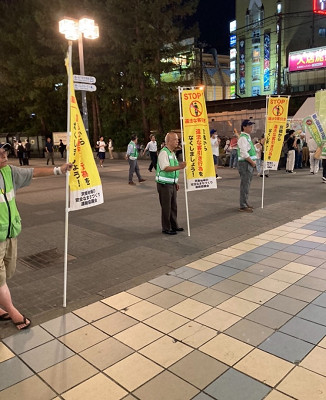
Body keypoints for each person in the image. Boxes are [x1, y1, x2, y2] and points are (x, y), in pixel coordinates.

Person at [0, 142, 72, 331]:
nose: (4, 156)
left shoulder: (9, 172)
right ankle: (13, 312)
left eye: (5, 151)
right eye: (0, 153)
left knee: (6, 273)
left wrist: (59, 170)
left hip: (9, 233)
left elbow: (33, 173)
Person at [156, 132, 186, 235]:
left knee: (173, 206)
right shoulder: (164, 153)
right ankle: (166, 228)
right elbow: (166, 168)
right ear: (168, 141)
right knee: (166, 207)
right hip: (164, 184)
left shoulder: (172, 153)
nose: (177, 141)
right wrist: (180, 167)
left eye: (177, 139)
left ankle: (174, 225)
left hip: (171, 184)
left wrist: (175, 182)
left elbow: (173, 169)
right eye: (175, 139)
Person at [237, 119, 257, 212]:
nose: (251, 128)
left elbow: (249, 150)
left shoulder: (247, 137)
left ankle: (245, 202)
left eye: (251, 126)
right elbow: (243, 153)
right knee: (245, 184)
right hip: (245, 164)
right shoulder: (243, 138)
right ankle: (243, 205)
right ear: (244, 127)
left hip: (248, 163)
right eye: (249, 126)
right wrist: (252, 162)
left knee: (247, 184)